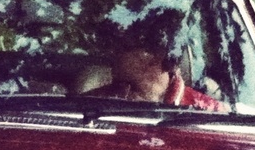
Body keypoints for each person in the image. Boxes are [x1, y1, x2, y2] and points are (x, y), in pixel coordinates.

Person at [95, 14, 226, 110]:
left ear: (153, 56)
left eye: (125, 48)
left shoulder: (208, 111)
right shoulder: (92, 104)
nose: (115, 55)